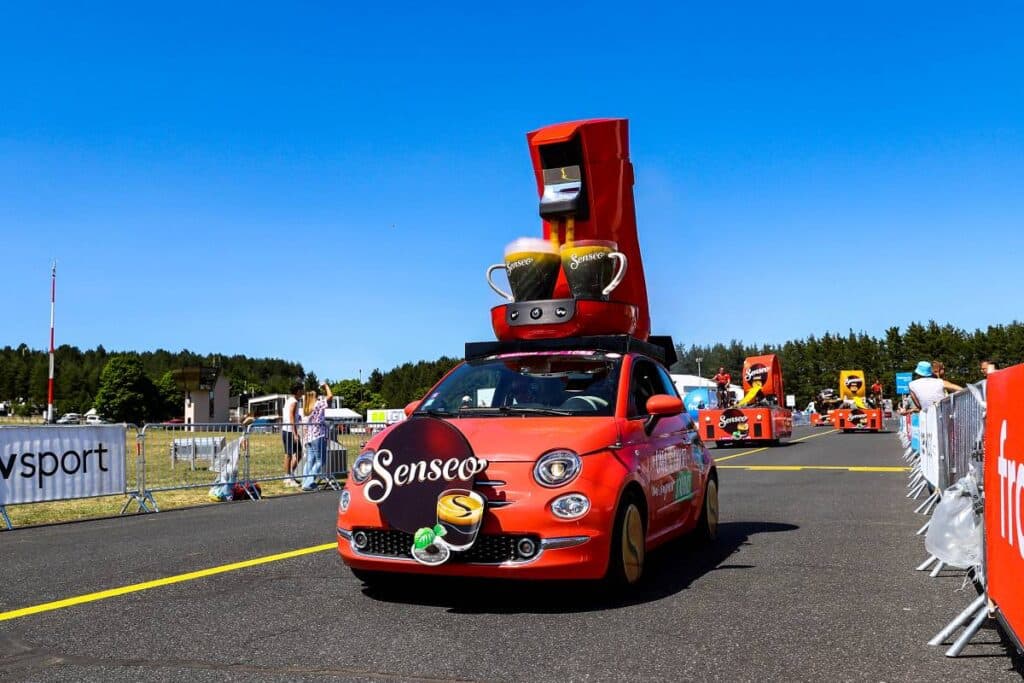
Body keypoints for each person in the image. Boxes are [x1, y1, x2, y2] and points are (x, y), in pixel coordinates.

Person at [299, 382, 333, 491]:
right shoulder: (317, 404)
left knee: (310, 461)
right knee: (320, 460)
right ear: (314, 397)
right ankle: (308, 482)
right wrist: (326, 386)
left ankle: (304, 481)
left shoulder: (306, 409)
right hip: (318, 435)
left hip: (309, 437)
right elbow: (330, 397)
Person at [281, 383, 303, 487]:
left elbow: (292, 416)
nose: (303, 392)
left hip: (286, 430)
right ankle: (288, 476)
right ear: (298, 391)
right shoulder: (294, 401)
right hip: (290, 431)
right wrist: (295, 433)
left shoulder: (290, 400)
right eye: (301, 390)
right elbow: (291, 417)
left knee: (296, 453)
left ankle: (289, 475)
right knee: (290, 454)